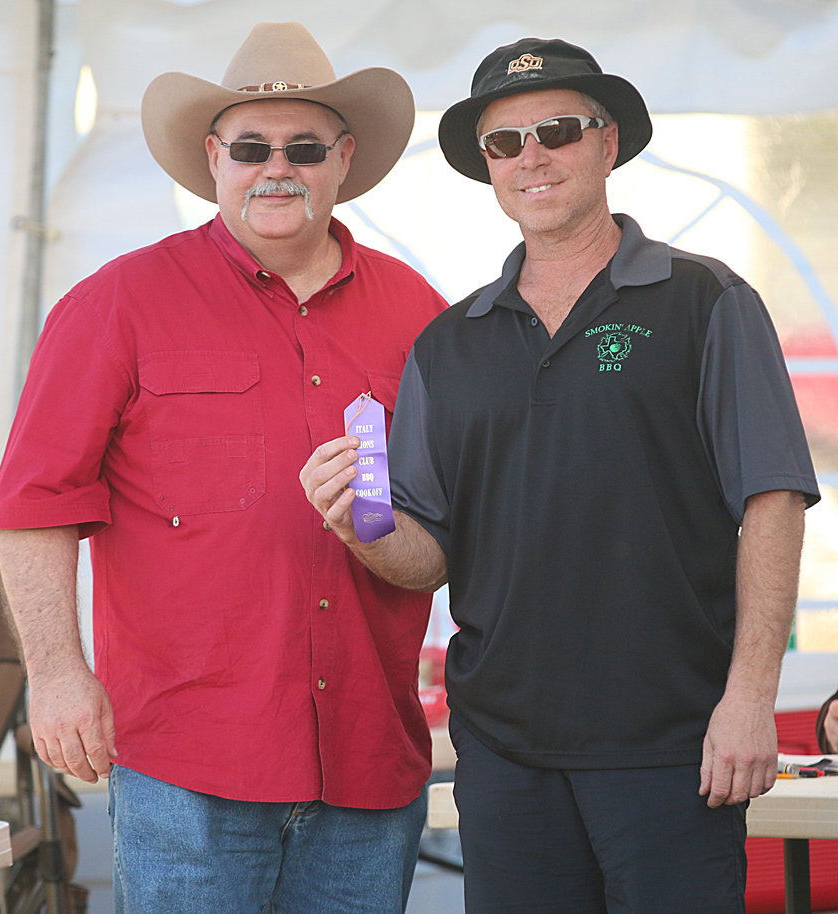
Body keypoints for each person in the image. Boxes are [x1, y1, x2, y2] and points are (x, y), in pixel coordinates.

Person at [300, 36, 821, 913]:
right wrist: (361, 523)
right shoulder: (449, 341)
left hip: (675, 744)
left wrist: (749, 702)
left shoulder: (707, 300)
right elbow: (427, 557)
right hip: (505, 756)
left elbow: (773, 501)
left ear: (608, 143)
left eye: (558, 130)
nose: (530, 156)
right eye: (505, 143)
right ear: (487, 169)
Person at [0, 21, 446, 914]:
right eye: (252, 147)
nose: (278, 167)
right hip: (187, 764)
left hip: (367, 755)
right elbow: (36, 505)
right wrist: (57, 675)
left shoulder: (420, 314)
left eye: (305, 147)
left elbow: (452, 524)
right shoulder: (118, 302)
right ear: (213, 157)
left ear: (343, 160)